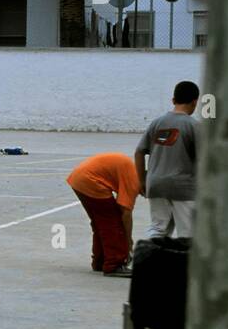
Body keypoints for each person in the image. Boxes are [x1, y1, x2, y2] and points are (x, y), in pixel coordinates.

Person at [135, 80, 199, 238]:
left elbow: (139, 152)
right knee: (188, 234)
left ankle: (149, 259)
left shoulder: (157, 123)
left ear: (173, 100)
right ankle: (184, 263)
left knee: (158, 229)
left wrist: (142, 181)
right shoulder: (194, 126)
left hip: (155, 184)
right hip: (183, 187)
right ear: (195, 102)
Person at [67, 152, 140, 277]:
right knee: (113, 224)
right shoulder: (135, 182)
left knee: (100, 223)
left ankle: (100, 262)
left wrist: (128, 240)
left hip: (79, 178)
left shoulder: (133, 172)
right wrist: (128, 241)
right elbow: (126, 214)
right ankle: (114, 264)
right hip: (90, 180)